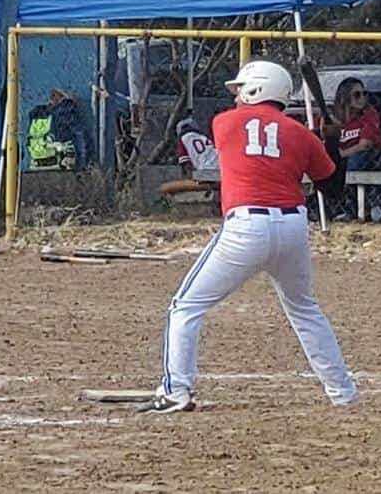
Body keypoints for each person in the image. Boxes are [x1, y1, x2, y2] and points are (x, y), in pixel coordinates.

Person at [137, 60, 359, 414]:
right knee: (305, 310)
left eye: (242, 89)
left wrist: (323, 139)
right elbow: (332, 189)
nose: (237, 96)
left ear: (258, 90)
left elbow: (256, 137)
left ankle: (176, 389)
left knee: (185, 307)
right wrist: (331, 143)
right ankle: (343, 392)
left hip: (246, 227)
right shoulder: (300, 134)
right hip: (292, 228)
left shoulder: (224, 122)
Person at [332, 78, 381, 171]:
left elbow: (365, 145)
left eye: (364, 94)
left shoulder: (368, 114)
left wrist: (340, 154)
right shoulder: (335, 117)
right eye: (357, 95)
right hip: (341, 159)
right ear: (345, 96)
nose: (362, 98)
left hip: (359, 157)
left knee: (356, 159)